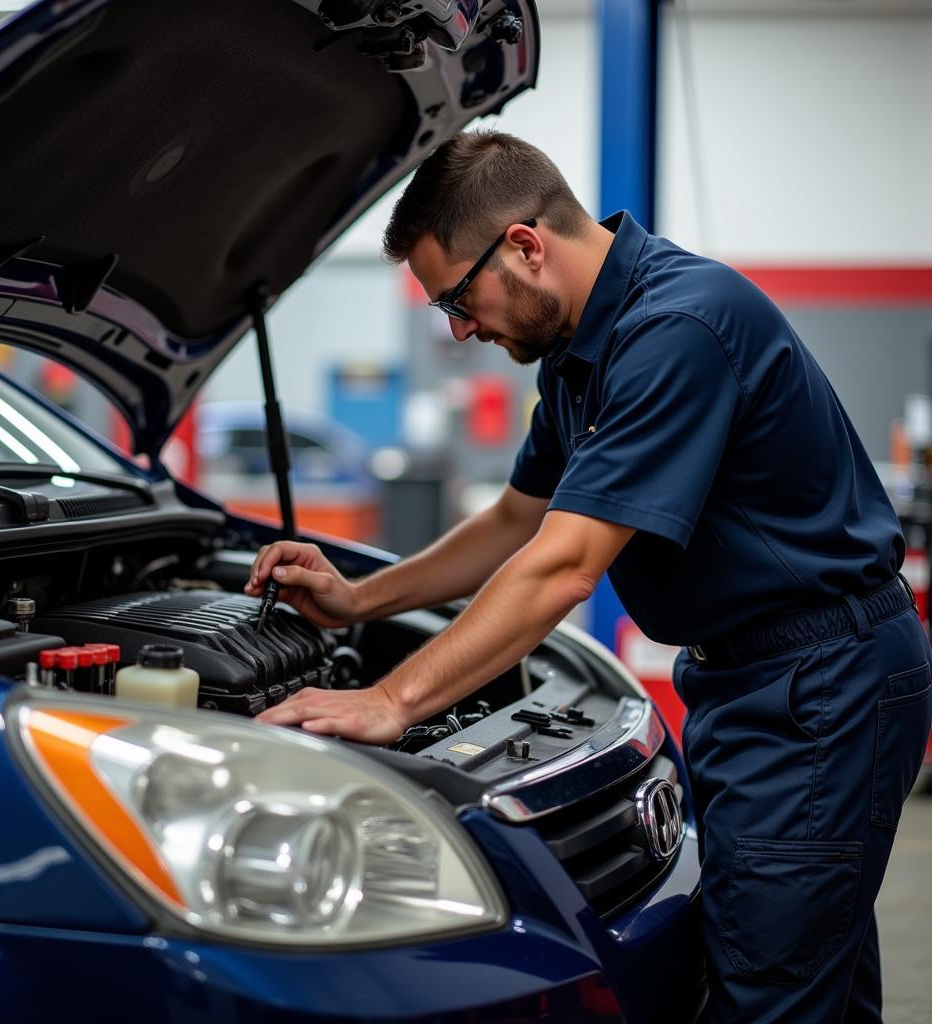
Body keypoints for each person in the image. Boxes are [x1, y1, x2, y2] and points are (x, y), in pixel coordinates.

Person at [248, 129, 932, 1022]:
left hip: (819, 682)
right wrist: (357, 598)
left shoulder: (676, 328)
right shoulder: (579, 354)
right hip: (747, 678)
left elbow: (564, 565)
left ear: (525, 246)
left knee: (768, 996)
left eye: (457, 297)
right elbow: (516, 519)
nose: (457, 329)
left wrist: (395, 700)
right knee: (812, 985)